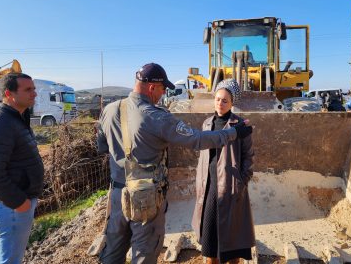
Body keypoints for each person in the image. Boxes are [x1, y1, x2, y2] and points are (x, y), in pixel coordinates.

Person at [96, 63, 253, 264]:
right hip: (146, 199)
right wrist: (234, 133)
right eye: (163, 89)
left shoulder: (109, 110)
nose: (163, 94)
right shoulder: (157, 116)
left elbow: (101, 146)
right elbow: (197, 139)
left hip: (118, 195)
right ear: (153, 87)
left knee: (113, 252)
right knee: (144, 253)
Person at [0, 73, 44, 263]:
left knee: (6, 256)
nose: (35, 94)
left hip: (11, 206)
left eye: (34, 88)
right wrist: (19, 202)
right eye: (28, 90)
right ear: (9, 93)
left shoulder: (14, 118)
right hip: (8, 206)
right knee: (8, 259)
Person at [192, 79, 255, 264]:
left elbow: (249, 157)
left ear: (232, 102)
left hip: (231, 188)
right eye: (218, 99)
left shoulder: (240, 125)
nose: (220, 103)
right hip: (209, 186)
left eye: (225, 100)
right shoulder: (206, 124)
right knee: (210, 243)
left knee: (233, 246)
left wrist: (241, 181)